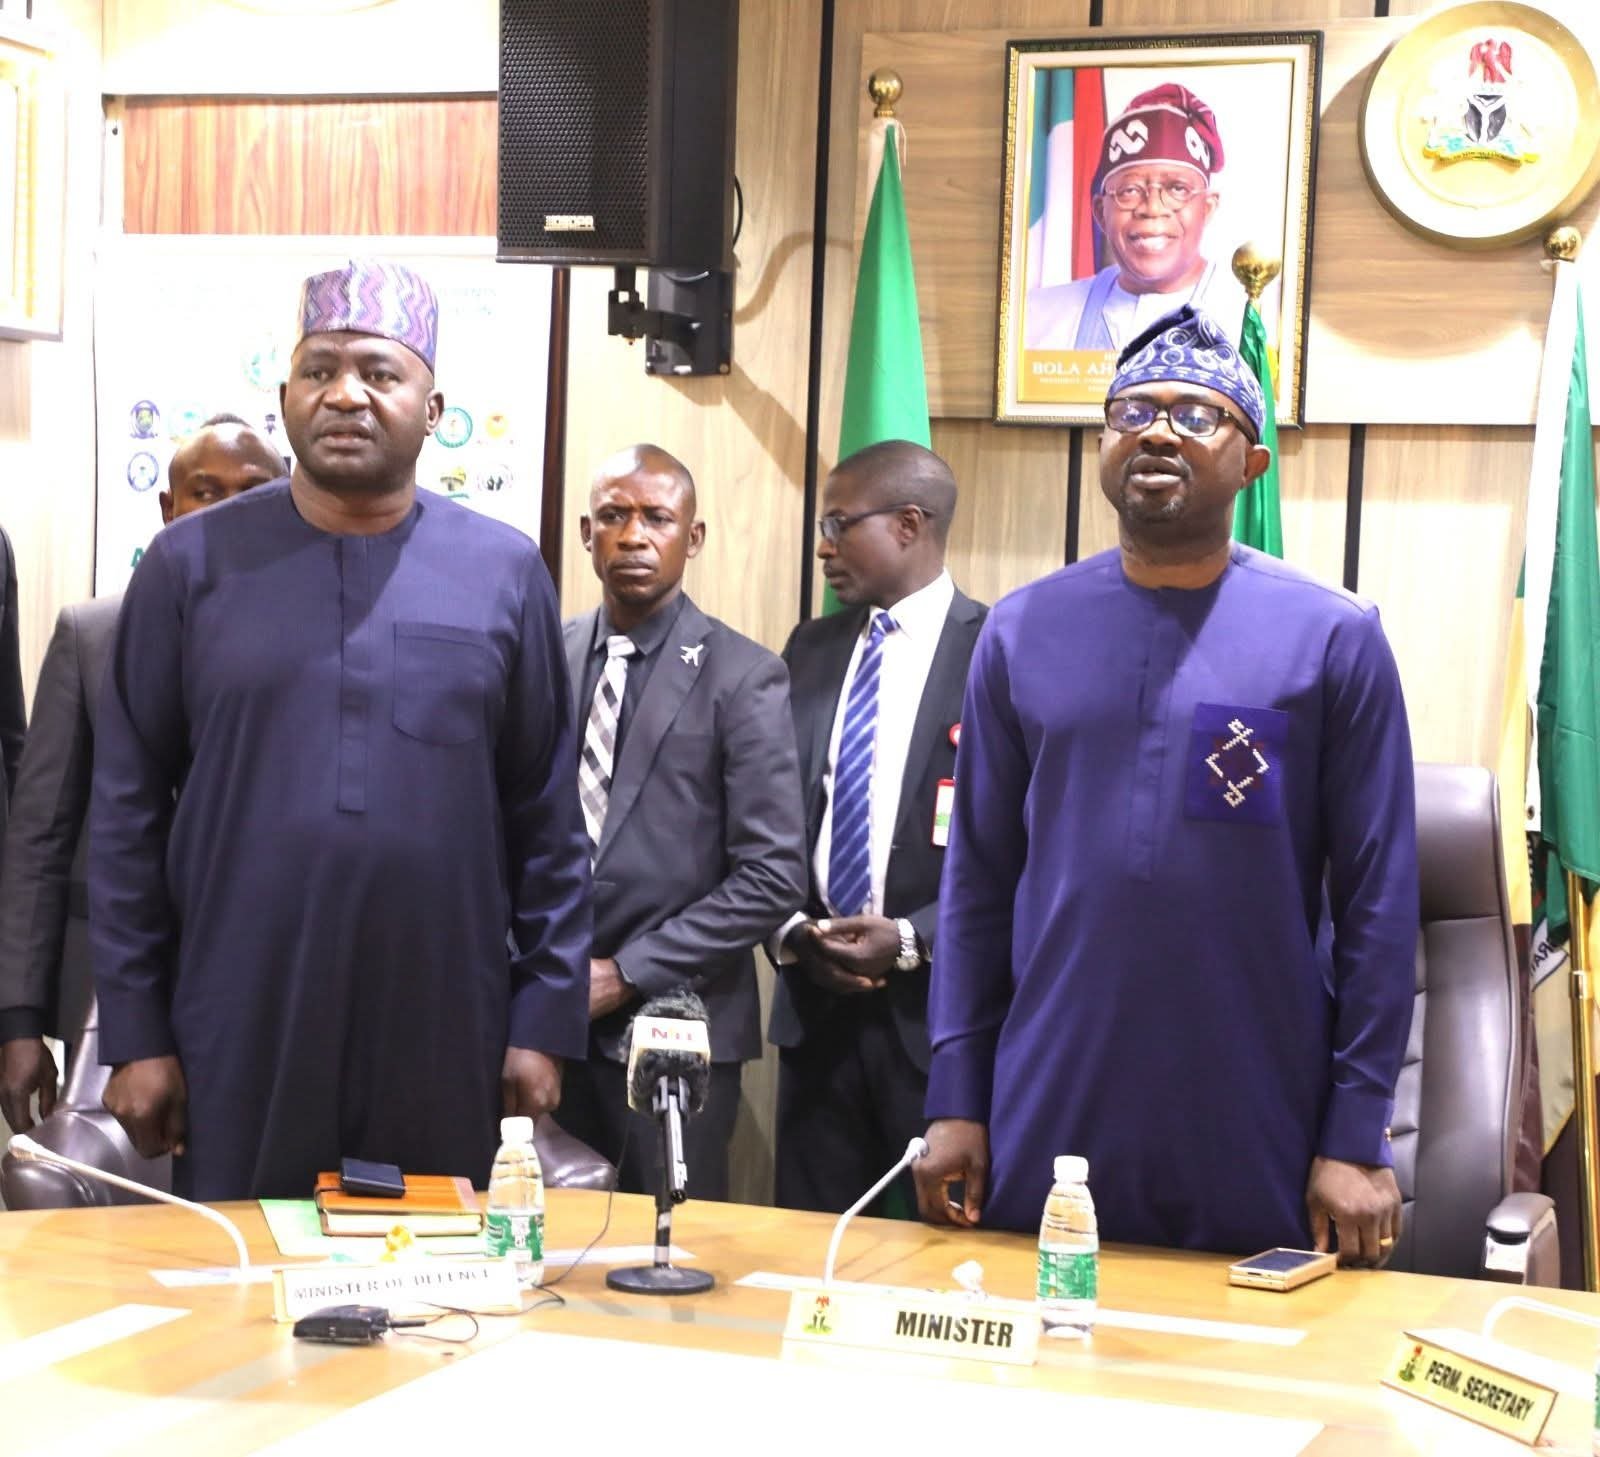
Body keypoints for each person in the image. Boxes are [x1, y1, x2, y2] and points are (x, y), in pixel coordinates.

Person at [916, 307, 1417, 1266]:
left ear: (1252, 462)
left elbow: (1379, 905)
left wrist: (1356, 1132)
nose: (1155, 432)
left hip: (1257, 1098)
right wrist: (956, 1097)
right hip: (1052, 1087)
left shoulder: (1333, 640)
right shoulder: (1020, 632)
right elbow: (977, 884)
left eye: (1195, 415)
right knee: (1043, 1336)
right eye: (1132, 411)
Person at [89, 260, 590, 1200]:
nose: (345, 393)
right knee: (243, 1271)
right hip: (239, 1013)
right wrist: (137, 1030)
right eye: (319, 370)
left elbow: (547, 822)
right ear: (285, 398)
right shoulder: (188, 566)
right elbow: (125, 814)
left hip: (445, 1019)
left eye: (378, 372)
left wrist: (542, 1019)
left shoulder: (505, 572)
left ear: (432, 410)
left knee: (435, 1279)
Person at [0, 415, 285, 1134]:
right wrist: (19, 1019)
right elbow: (39, 838)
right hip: (105, 998)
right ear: (168, 507)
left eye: (253, 492)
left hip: (269, 989)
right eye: (204, 491)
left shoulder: (319, 644)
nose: (225, 512)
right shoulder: (92, 635)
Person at [555, 445, 806, 1200]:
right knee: (539, 1243)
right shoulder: (550, 653)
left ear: (691, 537)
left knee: (665, 1247)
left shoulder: (743, 674)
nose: (634, 535)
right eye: (613, 516)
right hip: (545, 1026)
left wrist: (626, 973)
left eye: (657, 518)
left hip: (671, 1029)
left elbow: (772, 877)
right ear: (586, 532)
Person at [769, 440, 986, 1214]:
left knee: (945, 1253)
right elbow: (773, 815)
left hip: (940, 1024)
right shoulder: (810, 649)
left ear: (908, 524)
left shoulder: (996, 650)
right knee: (808, 1250)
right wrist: (794, 931)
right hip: (816, 1012)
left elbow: (1023, 852)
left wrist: (914, 936)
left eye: (838, 524)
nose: (823, 547)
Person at [1026, 83, 1246, 354]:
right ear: (1100, 212)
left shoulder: (1251, 318)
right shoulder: (1035, 319)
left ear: (1207, 208)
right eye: (1129, 191)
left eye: (1177, 189)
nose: (1152, 207)